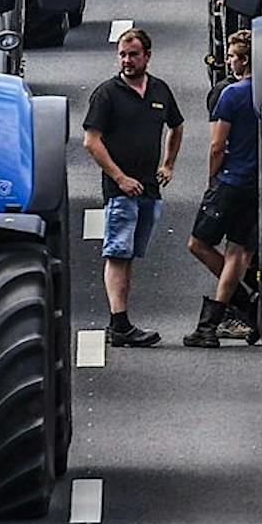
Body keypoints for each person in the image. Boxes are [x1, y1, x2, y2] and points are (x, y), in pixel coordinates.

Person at [83, 26, 183, 349]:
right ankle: (119, 323)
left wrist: (167, 164)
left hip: (150, 189)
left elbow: (177, 125)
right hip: (121, 191)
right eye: (123, 55)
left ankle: (122, 322)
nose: (127, 60)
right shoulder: (107, 94)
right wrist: (119, 177)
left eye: (133, 55)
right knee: (118, 252)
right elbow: (91, 141)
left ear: (147, 57)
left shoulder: (160, 91)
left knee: (131, 254)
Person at [183, 32, 260, 347]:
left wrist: (211, 179)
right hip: (256, 183)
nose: (229, 61)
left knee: (198, 244)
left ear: (243, 60)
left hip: (230, 180)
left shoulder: (232, 94)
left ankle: (237, 304)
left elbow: (217, 145)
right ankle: (214, 324)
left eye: (232, 56)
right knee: (238, 251)